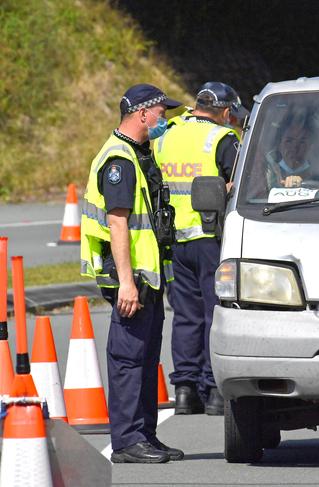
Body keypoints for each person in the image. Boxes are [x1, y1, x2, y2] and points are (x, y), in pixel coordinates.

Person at [80, 83, 183, 464]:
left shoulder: (141, 153)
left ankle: (145, 435)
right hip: (131, 277)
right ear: (142, 113)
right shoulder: (120, 160)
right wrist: (126, 281)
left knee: (145, 355)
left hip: (147, 275)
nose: (165, 119)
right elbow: (118, 223)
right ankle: (126, 441)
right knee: (127, 358)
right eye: (161, 113)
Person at [153, 81, 248, 416]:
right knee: (215, 314)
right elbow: (242, 183)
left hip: (172, 241)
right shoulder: (222, 139)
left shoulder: (165, 135)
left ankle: (184, 390)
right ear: (224, 111)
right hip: (210, 239)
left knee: (185, 316)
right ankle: (214, 392)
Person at [265, 122, 312, 188]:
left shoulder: (318, 171)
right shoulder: (267, 169)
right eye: (289, 141)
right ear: (279, 145)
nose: (295, 147)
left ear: (309, 146)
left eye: (302, 142)